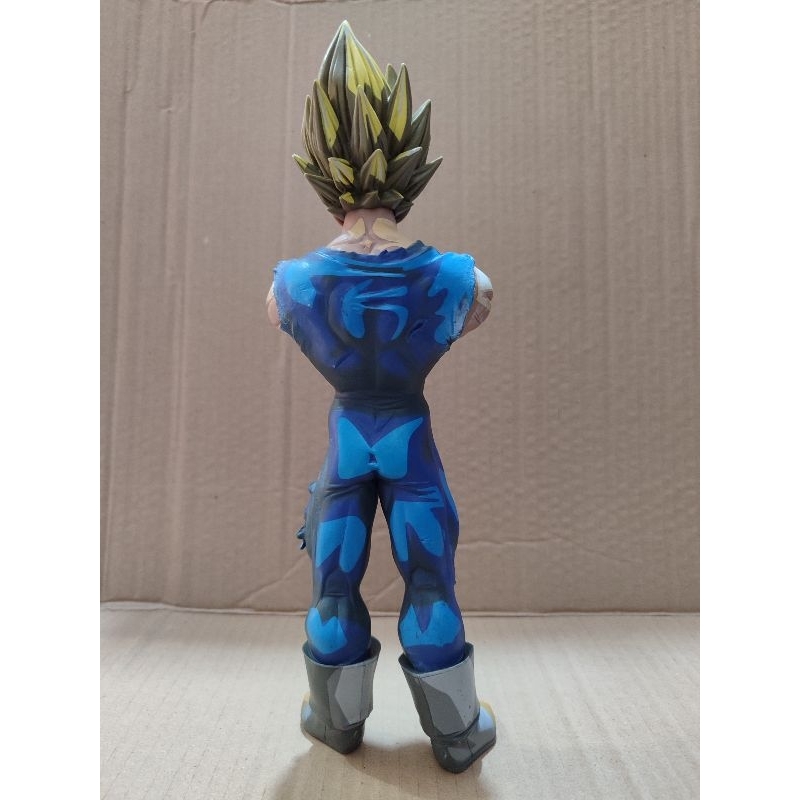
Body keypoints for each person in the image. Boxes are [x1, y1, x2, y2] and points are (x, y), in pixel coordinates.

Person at [266, 21, 495, 773]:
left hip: (347, 440)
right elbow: (471, 301)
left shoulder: (292, 285)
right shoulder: (461, 281)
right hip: (409, 438)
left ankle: (336, 721)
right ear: (410, 166)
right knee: (429, 578)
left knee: (333, 582)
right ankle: (457, 731)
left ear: (319, 170)